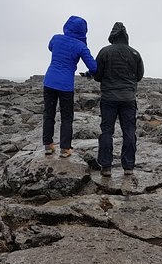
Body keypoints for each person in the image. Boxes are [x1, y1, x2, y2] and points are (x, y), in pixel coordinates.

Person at [42, 15, 97, 157]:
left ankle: (48, 145)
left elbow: (50, 47)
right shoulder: (81, 46)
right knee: (66, 117)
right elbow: (93, 67)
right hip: (66, 85)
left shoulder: (56, 38)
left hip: (49, 82)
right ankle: (65, 149)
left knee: (49, 114)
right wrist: (90, 73)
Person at [94, 22, 144, 176]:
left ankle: (106, 166)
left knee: (107, 131)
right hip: (128, 98)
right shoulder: (135, 53)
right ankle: (128, 167)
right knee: (129, 131)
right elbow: (139, 76)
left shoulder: (105, 52)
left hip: (109, 98)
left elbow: (97, 75)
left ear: (112, 35)